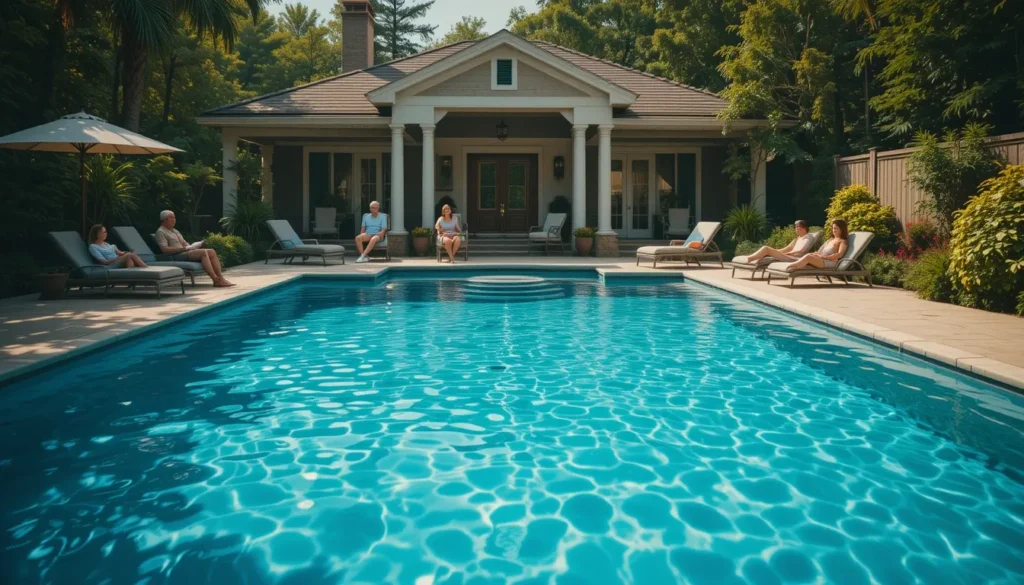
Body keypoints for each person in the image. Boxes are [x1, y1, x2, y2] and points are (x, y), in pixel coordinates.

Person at [155, 210, 235, 287]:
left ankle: (221, 278)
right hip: (175, 255)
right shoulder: (160, 232)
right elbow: (165, 250)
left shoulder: (175, 231)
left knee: (211, 251)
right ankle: (215, 280)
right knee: (203, 253)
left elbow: (184, 242)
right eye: (172, 218)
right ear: (165, 219)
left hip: (185, 251)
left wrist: (192, 247)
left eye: (174, 218)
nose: (174, 220)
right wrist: (186, 248)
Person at [785, 219, 849, 271]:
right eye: (833, 228)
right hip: (822, 259)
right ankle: (794, 267)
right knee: (808, 255)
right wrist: (815, 254)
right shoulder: (830, 240)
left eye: (836, 228)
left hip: (830, 262)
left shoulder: (842, 241)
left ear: (842, 229)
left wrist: (823, 256)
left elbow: (839, 255)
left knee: (808, 257)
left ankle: (792, 266)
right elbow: (820, 251)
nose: (833, 230)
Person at [742, 220, 816, 263]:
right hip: (788, 255)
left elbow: (801, 250)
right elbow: (787, 248)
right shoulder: (797, 238)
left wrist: (787, 253)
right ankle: (752, 258)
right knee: (767, 249)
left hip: (794, 258)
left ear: (804, 227)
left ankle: (750, 259)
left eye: (798, 226)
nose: (796, 229)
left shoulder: (808, 237)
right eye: (795, 227)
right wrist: (775, 251)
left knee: (766, 248)